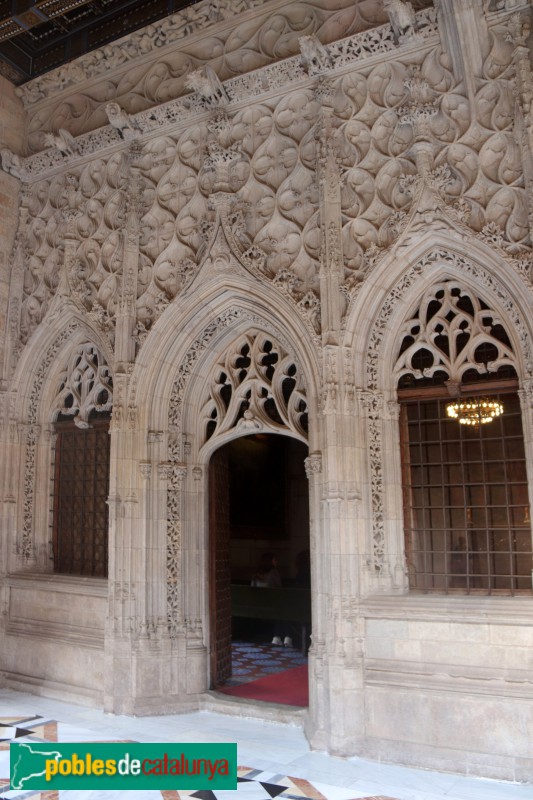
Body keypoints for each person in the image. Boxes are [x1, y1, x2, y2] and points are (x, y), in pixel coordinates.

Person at [251, 553, 291, 646]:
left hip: (256, 605)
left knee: (281, 611)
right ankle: (286, 637)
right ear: (270, 561)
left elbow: (252, 588)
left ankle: (279, 637)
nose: (276, 561)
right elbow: (279, 588)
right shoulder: (274, 572)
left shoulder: (256, 573)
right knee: (285, 611)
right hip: (270, 605)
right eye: (274, 559)